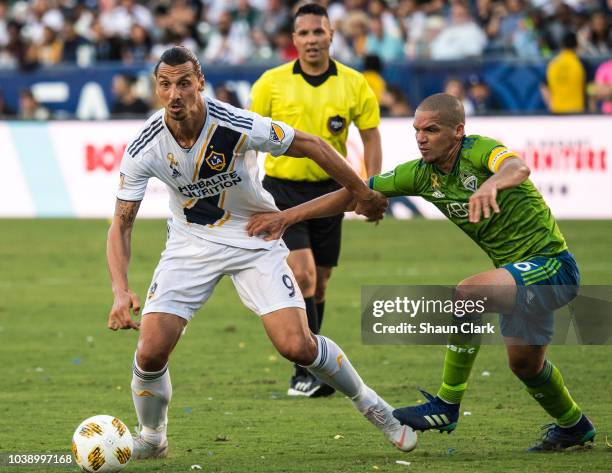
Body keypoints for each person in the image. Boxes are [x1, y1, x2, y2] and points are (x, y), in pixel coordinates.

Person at [106, 46, 417, 460]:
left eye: (184, 83)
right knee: (149, 350)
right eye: (165, 84)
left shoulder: (234, 123)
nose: (175, 93)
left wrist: (362, 192)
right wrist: (120, 289)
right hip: (190, 243)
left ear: (200, 82)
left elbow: (312, 144)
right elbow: (121, 224)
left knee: (297, 346)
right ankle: (152, 436)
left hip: (255, 234)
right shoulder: (145, 145)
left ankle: (372, 404)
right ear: (156, 88)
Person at [247, 93, 596, 453]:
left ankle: (447, 404)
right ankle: (575, 427)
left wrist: (492, 183)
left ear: (458, 131)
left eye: (431, 129)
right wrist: (287, 217)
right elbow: (355, 193)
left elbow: (517, 168)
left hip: (553, 266)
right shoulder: (421, 175)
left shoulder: (480, 151)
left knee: (468, 294)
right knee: (526, 366)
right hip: (514, 276)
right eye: (417, 130)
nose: (421, 137)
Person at [250, 3, 382, 397]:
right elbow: (247, 140)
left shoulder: (354, 83)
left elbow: (371, 134)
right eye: (303, 33)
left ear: (331, 35)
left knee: (321, 284)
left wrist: (370, 188)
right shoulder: (270, 83)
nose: (311, 40)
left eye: (318, 32)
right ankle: (302, 372)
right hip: (282, 192)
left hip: (333, 193)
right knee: (303, 274)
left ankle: (313, 362)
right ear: (293, 40)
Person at [541, 31, 586, 114]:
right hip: (578, 111)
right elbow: (590, 88)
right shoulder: (581, 64)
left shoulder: (553, 64)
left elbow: (544, 87)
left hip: (557, 111)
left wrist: (551, 105)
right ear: (577, 45)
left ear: (561, 45)